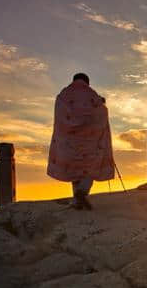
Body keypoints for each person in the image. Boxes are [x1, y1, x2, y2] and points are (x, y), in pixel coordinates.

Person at [47, 73, 115, 210]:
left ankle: (77, 199)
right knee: (91, 167)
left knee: (74, 168)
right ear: (87, 82)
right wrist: (102, 103)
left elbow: (60, 114)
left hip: (69, 141)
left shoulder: (64, 95)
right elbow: (100, 112)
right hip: (91, 141)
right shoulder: (92, 95)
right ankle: (82, 193)